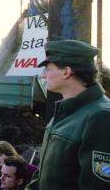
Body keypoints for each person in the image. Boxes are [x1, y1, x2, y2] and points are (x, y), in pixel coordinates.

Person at [25, 40, 110, 190]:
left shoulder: (101, 116)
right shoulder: (64, 112)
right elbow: (43, 173)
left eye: (47, 68)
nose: (43, 75)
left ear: (66, 71)